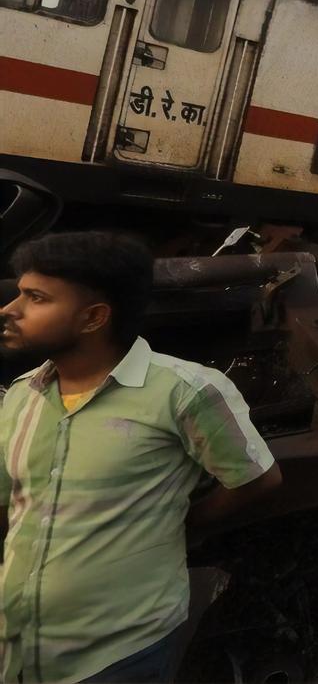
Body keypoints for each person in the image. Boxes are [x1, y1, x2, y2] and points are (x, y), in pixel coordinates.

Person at [0, 232, 281, 683]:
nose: (9, 310)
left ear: (94, 318)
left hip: (119, 655)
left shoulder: (184, 392)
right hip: (16, 646)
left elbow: (256, 479)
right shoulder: (21, 395)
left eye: (35, 298)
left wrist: (180, 520)